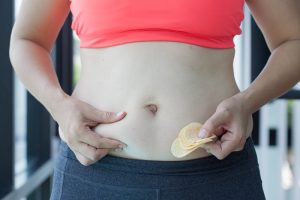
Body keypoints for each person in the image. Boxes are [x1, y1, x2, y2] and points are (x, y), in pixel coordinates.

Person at [9, 0, 300, 199]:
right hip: (95, 174)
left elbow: (294, 41)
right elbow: (27, 40)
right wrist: (60, 107)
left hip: (214, 175)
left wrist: (247, 102)